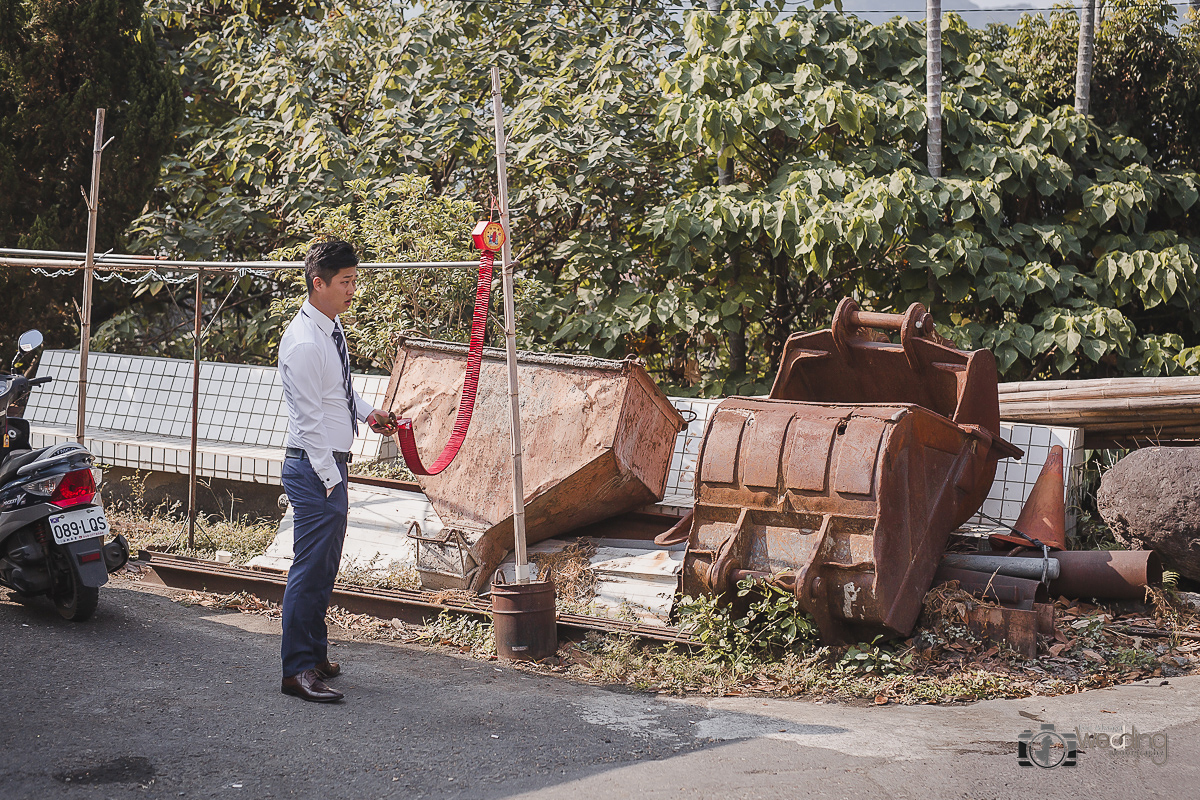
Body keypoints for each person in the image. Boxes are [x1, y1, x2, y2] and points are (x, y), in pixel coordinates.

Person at [277, 240, 396, 703]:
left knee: (324, 568)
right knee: (308, 572)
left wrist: (368, 413)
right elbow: (308, 423)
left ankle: (315, 652)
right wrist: (330, 481)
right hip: (314, 468)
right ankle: (297, 671)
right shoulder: (305, 343)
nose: (352, 290)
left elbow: (337, 391)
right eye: (344, 282)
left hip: (326, 466)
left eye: (353, 280)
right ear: (318, 283)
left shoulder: (329, 326)